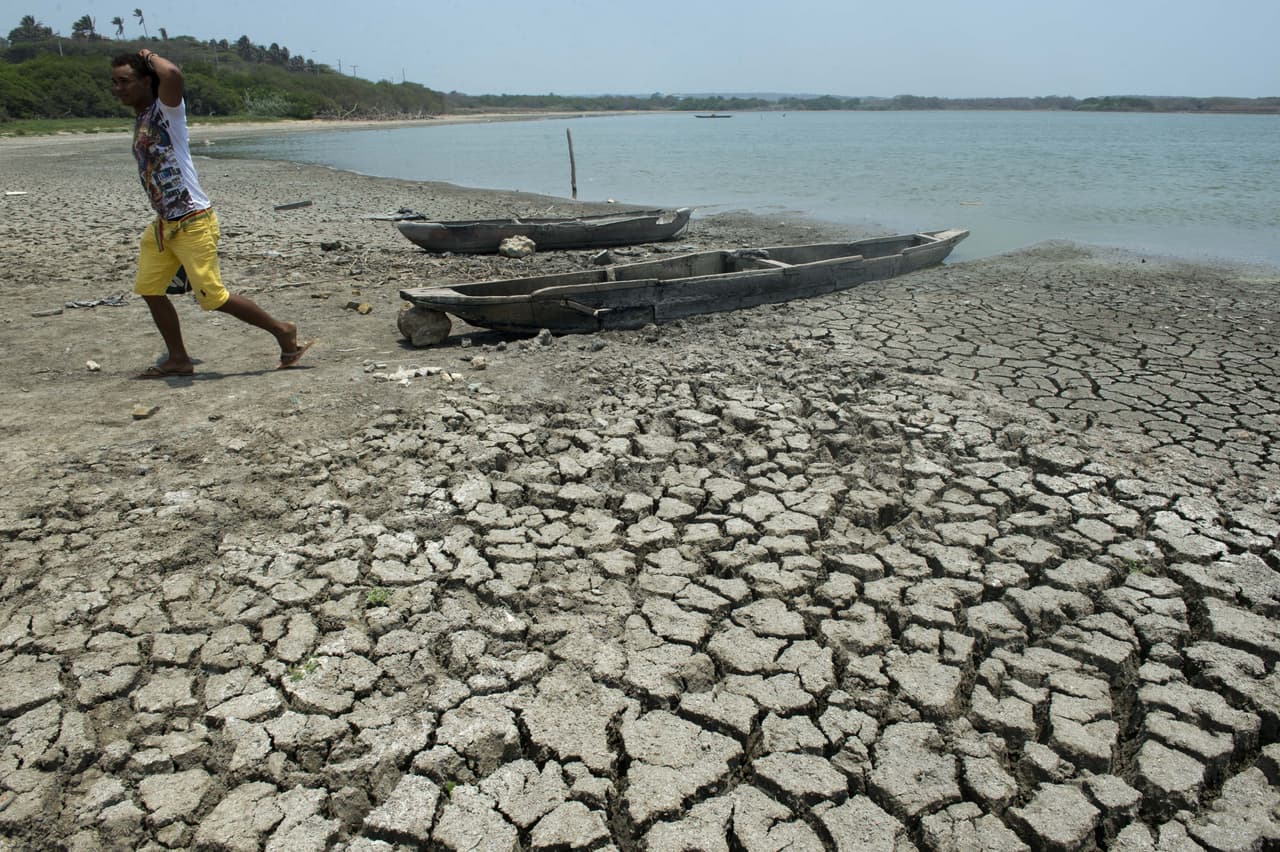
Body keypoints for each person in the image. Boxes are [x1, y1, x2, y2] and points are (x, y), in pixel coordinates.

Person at [110, 48, 313, 378]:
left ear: (147, 81)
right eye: (115, 82)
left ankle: (283, 331)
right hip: (164, 226)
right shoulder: (143, 117)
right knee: (149, 288)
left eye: (125, 81)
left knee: (213, 298)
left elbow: (172, 75)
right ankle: (178, 358)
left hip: (193, 221)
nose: (118, 88)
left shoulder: (166, 111)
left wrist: (147, 54)